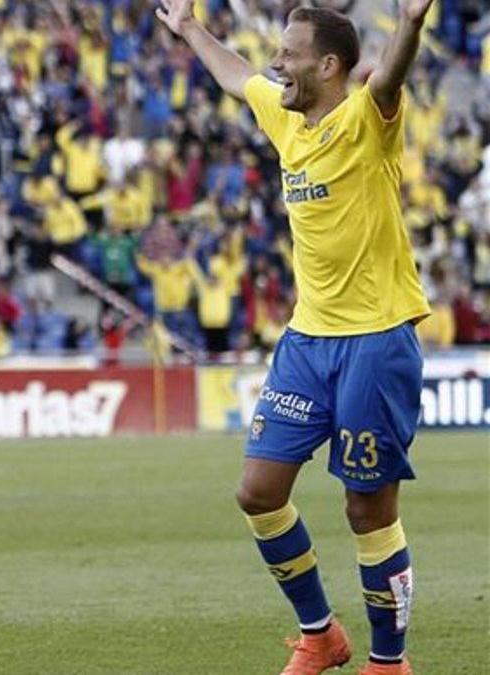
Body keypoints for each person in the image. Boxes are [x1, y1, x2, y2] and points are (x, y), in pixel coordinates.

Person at [157, 1, 433, 674]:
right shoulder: (285, 118)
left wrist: (411, 26)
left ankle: (388, 661)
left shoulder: (365, 119)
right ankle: (320, 633)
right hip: (308, 341)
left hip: (376, 337)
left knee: (366, 507)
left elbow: (390, 80)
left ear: (329, 66)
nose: (277, 62)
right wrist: (190, 29)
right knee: (258, 490)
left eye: (290, 52)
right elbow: (236, 75)